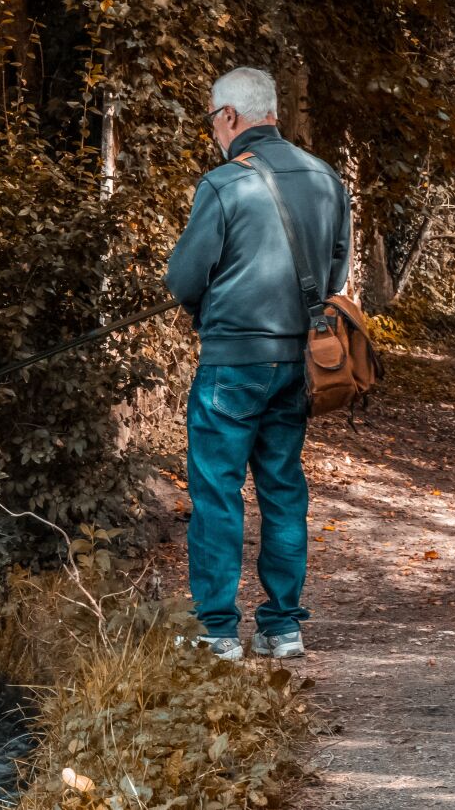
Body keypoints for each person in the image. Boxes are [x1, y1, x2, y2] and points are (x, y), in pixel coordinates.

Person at [164, 67, 352, 661]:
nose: (214, 132)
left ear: (229, 117)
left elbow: (182, 279)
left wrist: (213, 306)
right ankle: (282, 627)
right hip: (301, 361)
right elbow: (337, 274)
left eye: (212, 120)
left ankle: (218, 632)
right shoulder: (327, 179)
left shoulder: (223, 185)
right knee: (282, 486)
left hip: (232, 362)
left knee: (218, 490)